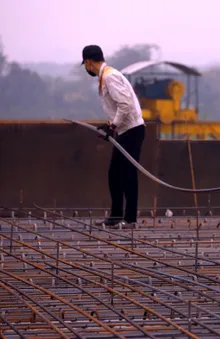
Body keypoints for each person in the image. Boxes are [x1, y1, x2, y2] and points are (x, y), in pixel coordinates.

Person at [81, 45, 145, 229]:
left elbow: (125, 104)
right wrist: (112, 126)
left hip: (132, 130)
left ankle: (130, 219)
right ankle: (116, 215)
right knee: (115, 174)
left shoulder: (110, 77)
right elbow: (120, 106)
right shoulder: (106, 77)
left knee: (127, 175)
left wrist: (113, 126)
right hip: (126, 130)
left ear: (88, 62)